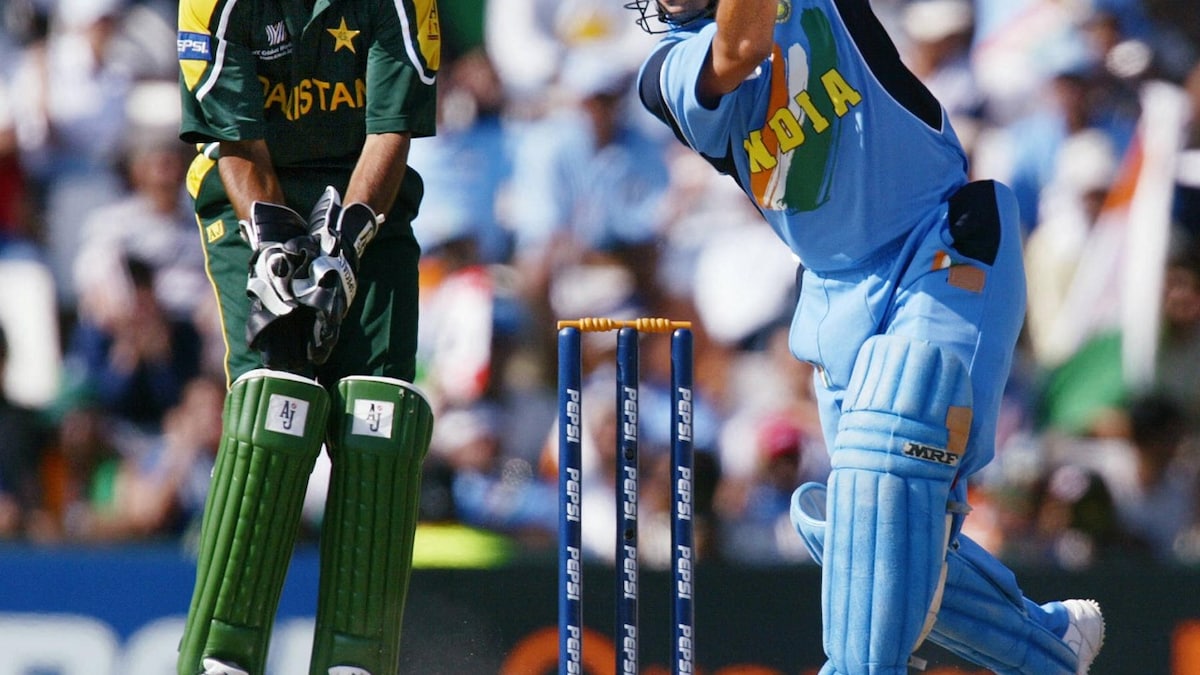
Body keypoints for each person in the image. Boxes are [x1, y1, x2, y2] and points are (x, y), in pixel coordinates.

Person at [623, 1, 1106, 673]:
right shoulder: (668, 71)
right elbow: (741, 48)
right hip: (838, 301)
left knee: (887, 467)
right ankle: (1044, 649)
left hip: (940, 242)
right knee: (857, 526)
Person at [174, 1, 439, 674]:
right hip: (251, 199)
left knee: (378, 413)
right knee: (273, 401)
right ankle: (221, 655)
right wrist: (274, 246)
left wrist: (346, 245)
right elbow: (235, 141)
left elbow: (390, 130)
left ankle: (357, 657)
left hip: (368, 197)